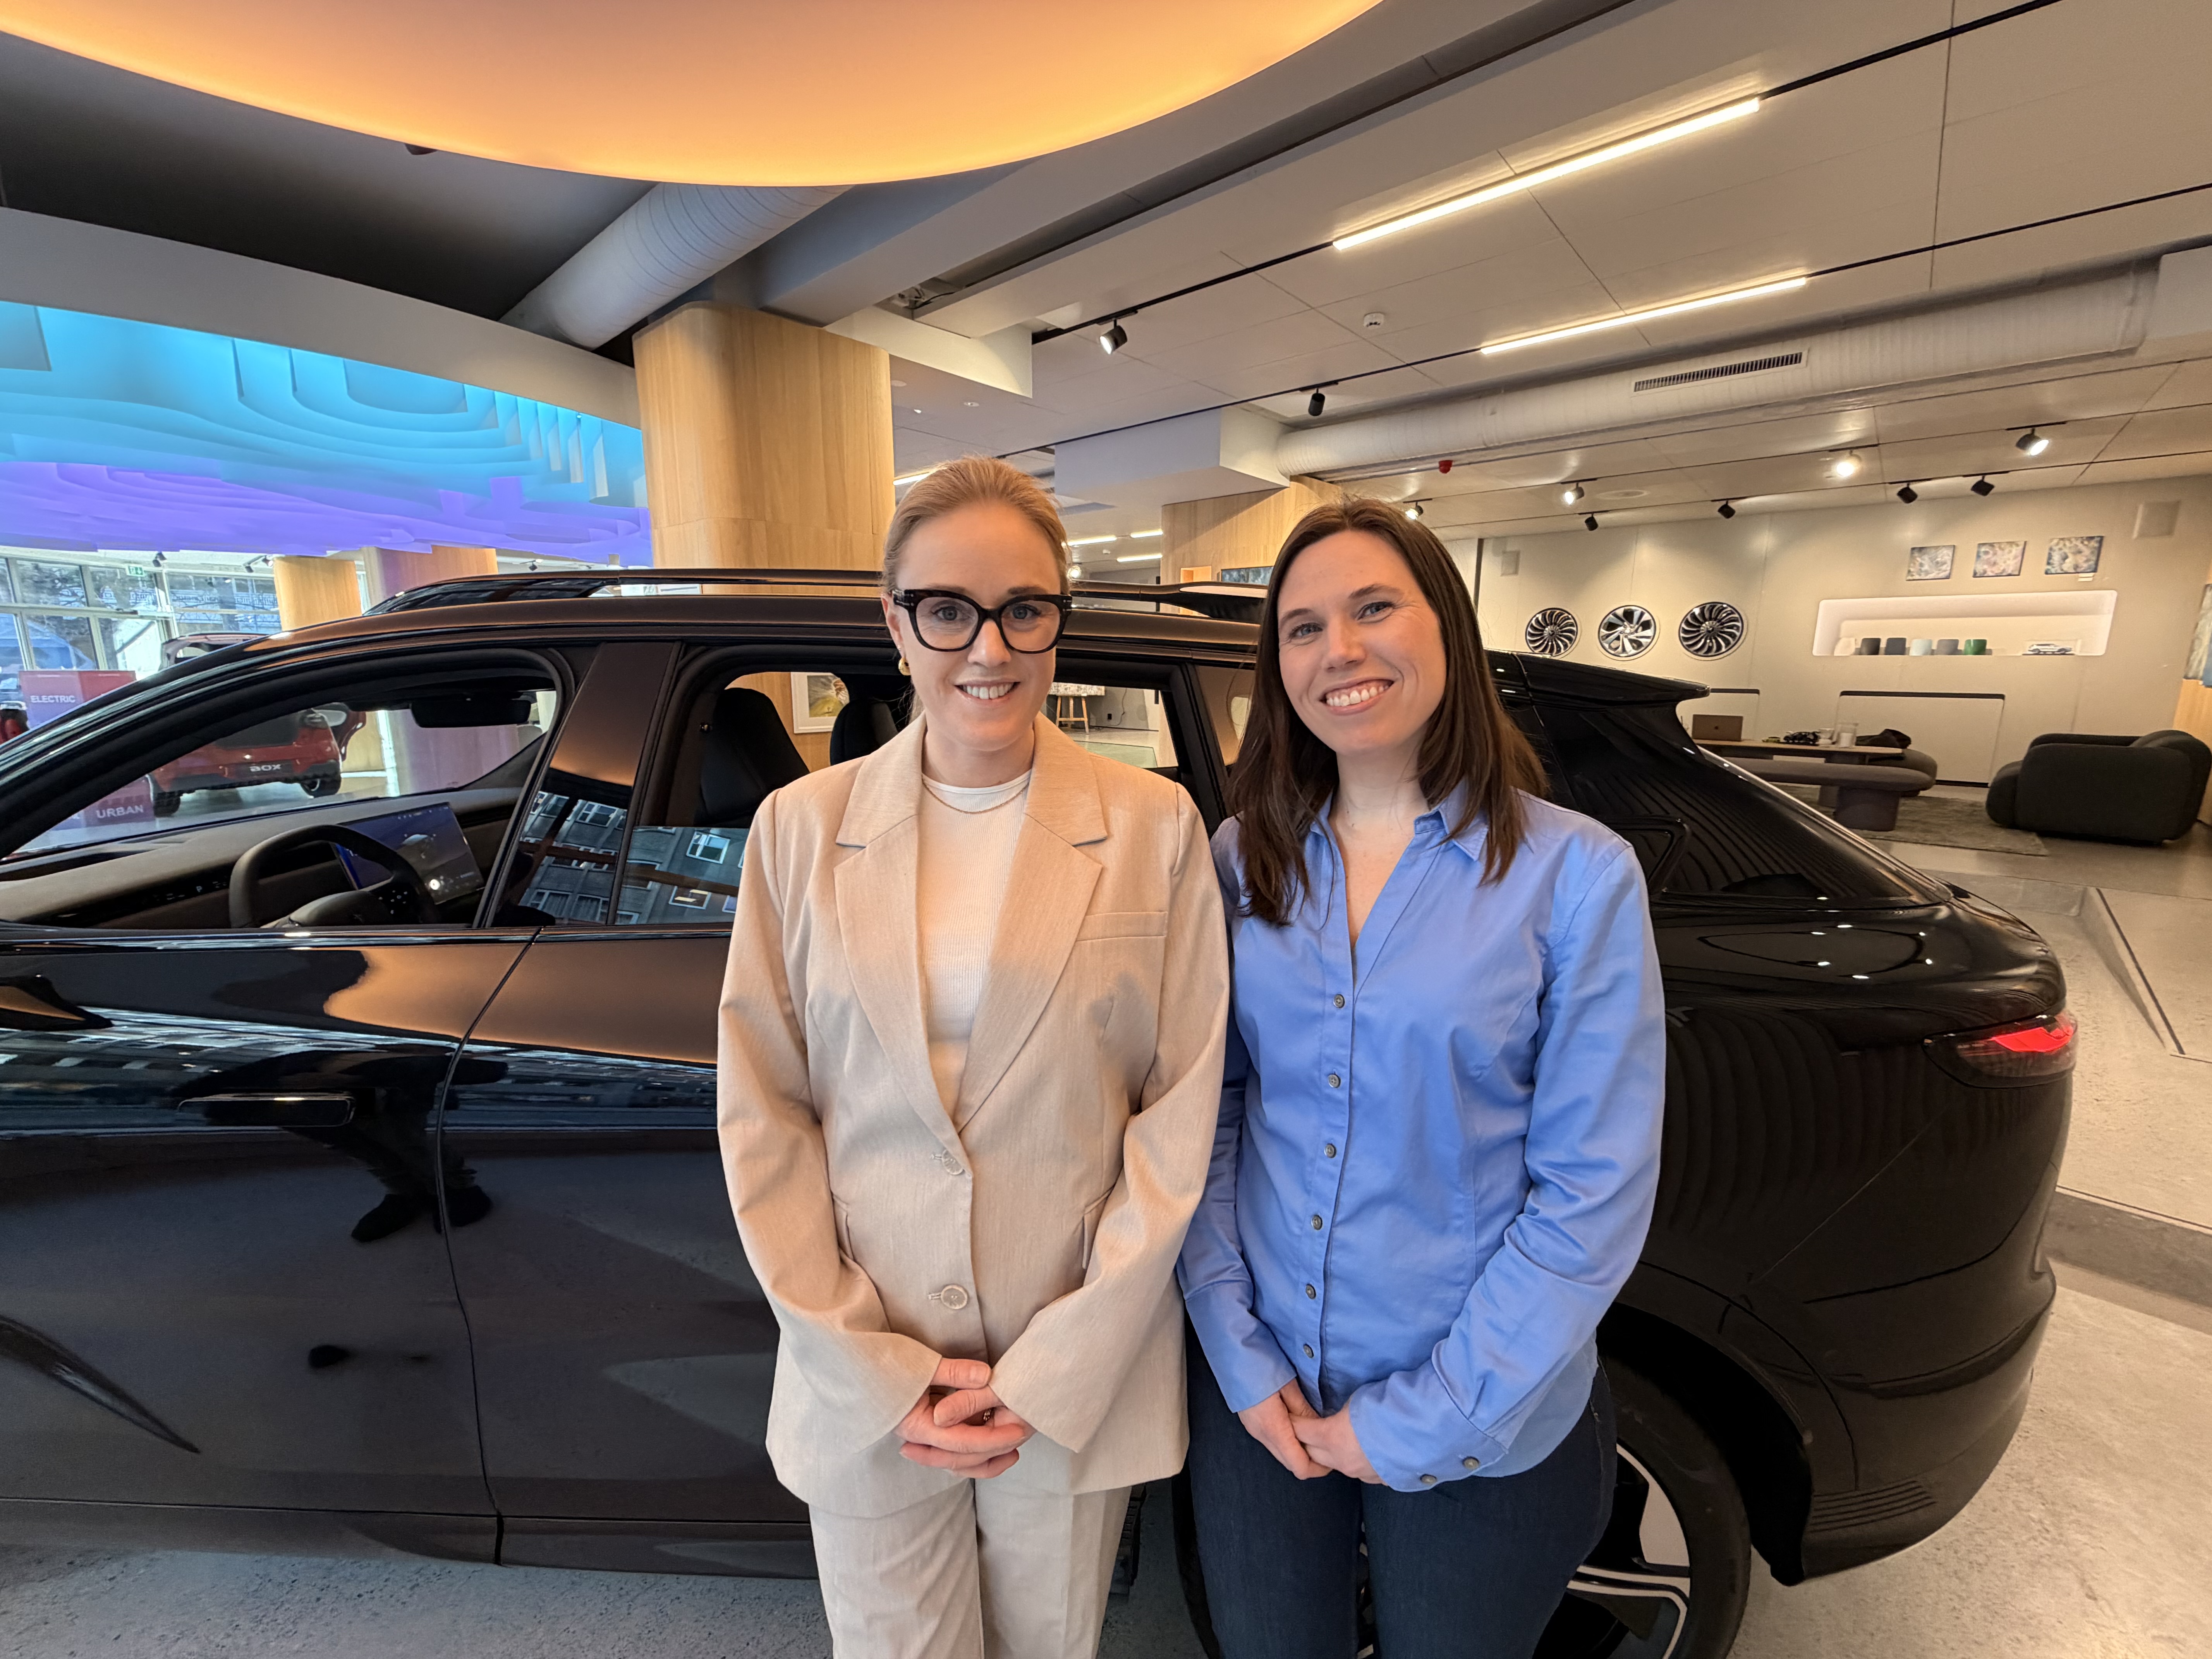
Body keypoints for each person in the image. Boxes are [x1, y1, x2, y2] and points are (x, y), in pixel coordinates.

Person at [717, 455, 1230, 1659]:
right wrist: (871, 1362)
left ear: (1059, 621)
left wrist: (1056, 1365)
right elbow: (765, 1113)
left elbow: (1179, 1114)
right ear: (896, 623)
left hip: (1070, 1368)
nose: (988, 648)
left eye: (1024, 609)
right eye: (948, 609)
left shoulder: (1153, 827)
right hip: (867, 1372)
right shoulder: (801, 830)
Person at [1178, 498, 1666, 1659]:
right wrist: (1237, 1348)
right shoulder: (1243, 859)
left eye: (1374, 608)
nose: (1338, 650)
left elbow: (1590, 1196)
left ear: (1447, 624)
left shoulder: (1576, 876)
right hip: (1266, 1393)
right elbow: (1211, 1116)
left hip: (1482, 1412)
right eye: (1302, 628)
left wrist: (1423, 1417)